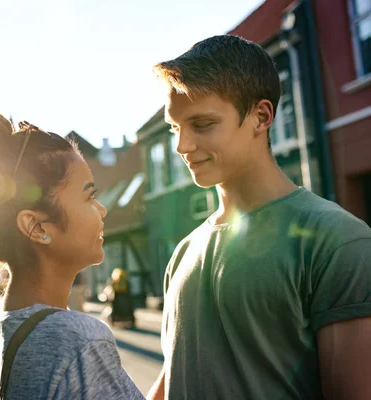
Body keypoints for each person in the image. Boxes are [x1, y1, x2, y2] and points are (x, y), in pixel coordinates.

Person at [147, 35, 371, 400]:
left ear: (261, 117)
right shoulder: (184, 252)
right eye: (176, 127)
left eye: (201, 124)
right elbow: (175, 377)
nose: (182, 146)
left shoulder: (337, 239)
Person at [0, 103, 144, 400]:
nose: (102, 209)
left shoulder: (19, 328)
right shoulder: (79, 339)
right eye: (89, 196)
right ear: (37, 226)